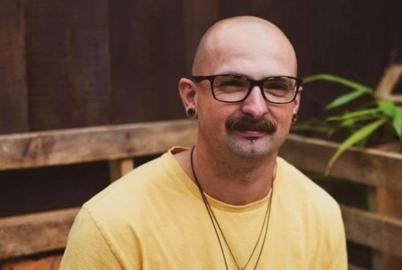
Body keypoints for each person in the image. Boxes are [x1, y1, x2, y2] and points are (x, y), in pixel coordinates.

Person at [60, 16, 347, 270]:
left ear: (295, 103)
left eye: (275, 86)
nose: (256, 107)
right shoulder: (113, 226)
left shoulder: (320, 214)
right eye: (233, 83)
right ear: (190, 96)